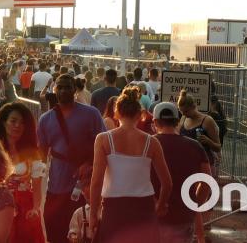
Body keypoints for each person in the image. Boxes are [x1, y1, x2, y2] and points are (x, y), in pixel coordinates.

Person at [88, 87, 171, 242]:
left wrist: (93, 215)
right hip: (144, 207)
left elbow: (96, 182)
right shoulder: (152, 142)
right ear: (140, 115)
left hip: (114, 209)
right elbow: (167, 183)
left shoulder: (103, 139)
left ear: (116, 112)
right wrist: (159, 206)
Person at [38, 74, 106, 243]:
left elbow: (105, 146)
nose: (63, 91)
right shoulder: (45, 119)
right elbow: (40, 156)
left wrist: (89, 164)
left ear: (75, 90)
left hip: (84, 188)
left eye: (67, 87)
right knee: (55, 232)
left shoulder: (91, 114)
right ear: (54, 90)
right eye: (59, 87)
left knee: (83, 234)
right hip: (56, 186)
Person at [151, 101, 212, 243]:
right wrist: (194, 205)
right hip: (183, 216)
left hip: (154, 215)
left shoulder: (148, 144)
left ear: (155, 122)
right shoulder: (195, 146)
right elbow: (207, 181)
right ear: (177, 121)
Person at [0, 102, 46, 243]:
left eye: (22, 123)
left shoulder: (32, 153)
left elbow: (36, 187)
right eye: (13, 121)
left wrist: (36, 208)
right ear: (4, 122)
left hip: (25, 209)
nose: (17, 125)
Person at [177, 91, 222, 177]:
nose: (184, 114)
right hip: (187, 164)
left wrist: (208, 141)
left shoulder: (207, 121)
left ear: (194, 106)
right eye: (181, 111)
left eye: (186, 111)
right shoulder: (183, 118)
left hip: (204, 164)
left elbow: (218, 147)